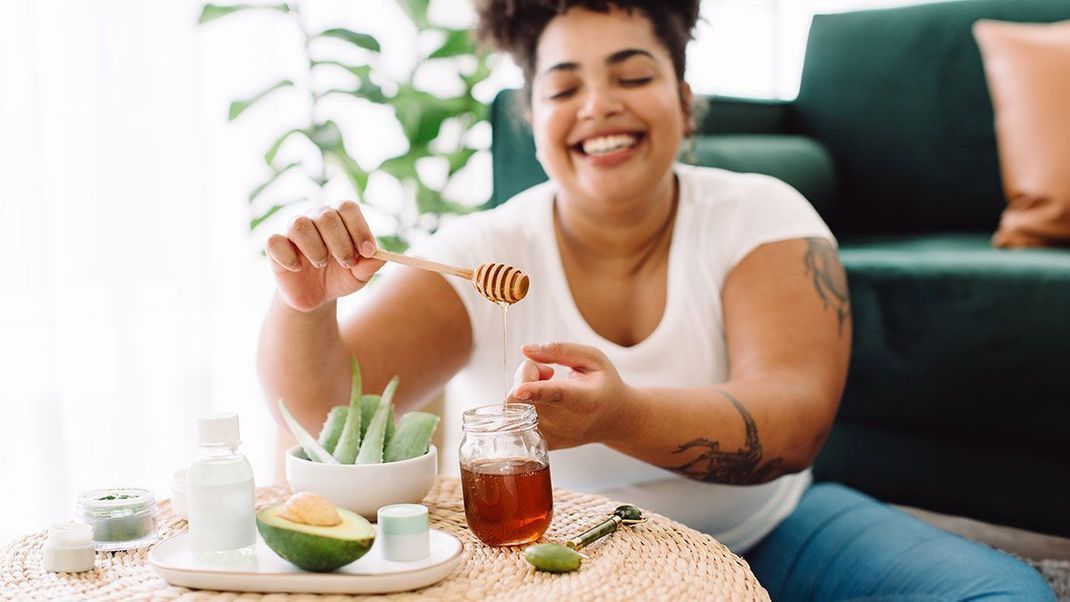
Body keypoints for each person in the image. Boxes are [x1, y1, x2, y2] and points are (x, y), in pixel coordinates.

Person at [257, 1, 1053, 598]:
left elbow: (793, 419)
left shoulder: (763, 215)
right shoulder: (477, 253)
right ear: (531, 118)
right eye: (565, 87)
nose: (600, 104)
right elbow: (328, 413)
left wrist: (617, 414)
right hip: (556, 560)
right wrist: (305, 306)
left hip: (770, 531)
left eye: (634, 75)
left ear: (684, 99)